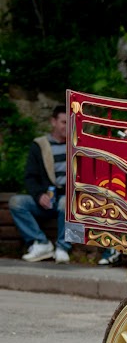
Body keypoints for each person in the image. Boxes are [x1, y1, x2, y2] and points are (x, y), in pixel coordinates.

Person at [12, 105, 70, 264]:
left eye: (70, 122)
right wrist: (39, 195)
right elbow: (30, 177)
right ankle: (41, 243)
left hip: (69, 201)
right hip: (47, 198)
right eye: (64, 122)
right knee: (16, 202)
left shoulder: (77, 145)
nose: (67, 126)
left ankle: (63, 247)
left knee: (68, 203)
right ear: (53, 122)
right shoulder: (40, 145)